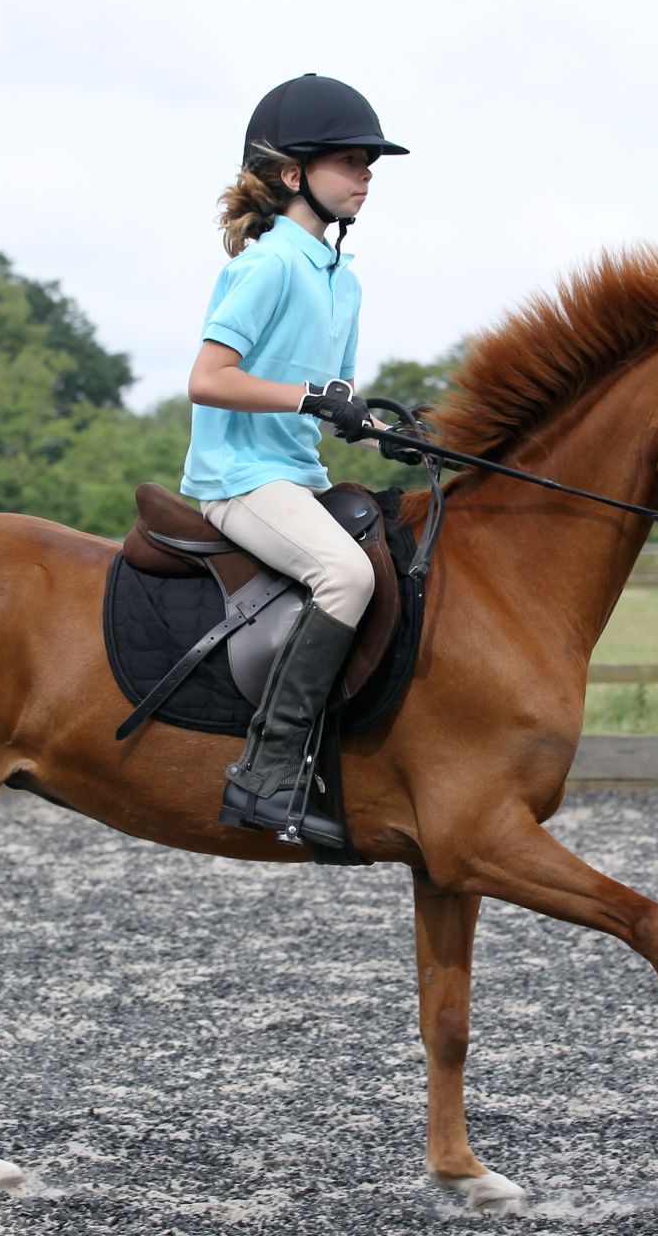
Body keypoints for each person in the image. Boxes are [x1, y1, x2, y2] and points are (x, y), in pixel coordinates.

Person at [182, 73, 408, 844]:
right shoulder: (268, 265)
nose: (366, 176)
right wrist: (310, 399)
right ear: (292, 175)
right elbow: (208, 381)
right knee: (344, 574)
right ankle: (266, 774)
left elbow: (336, 397)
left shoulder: (342, 280)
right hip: (237, 479)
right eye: (349, 161)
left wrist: (385, 432)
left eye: (369, 163)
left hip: (299, 478)